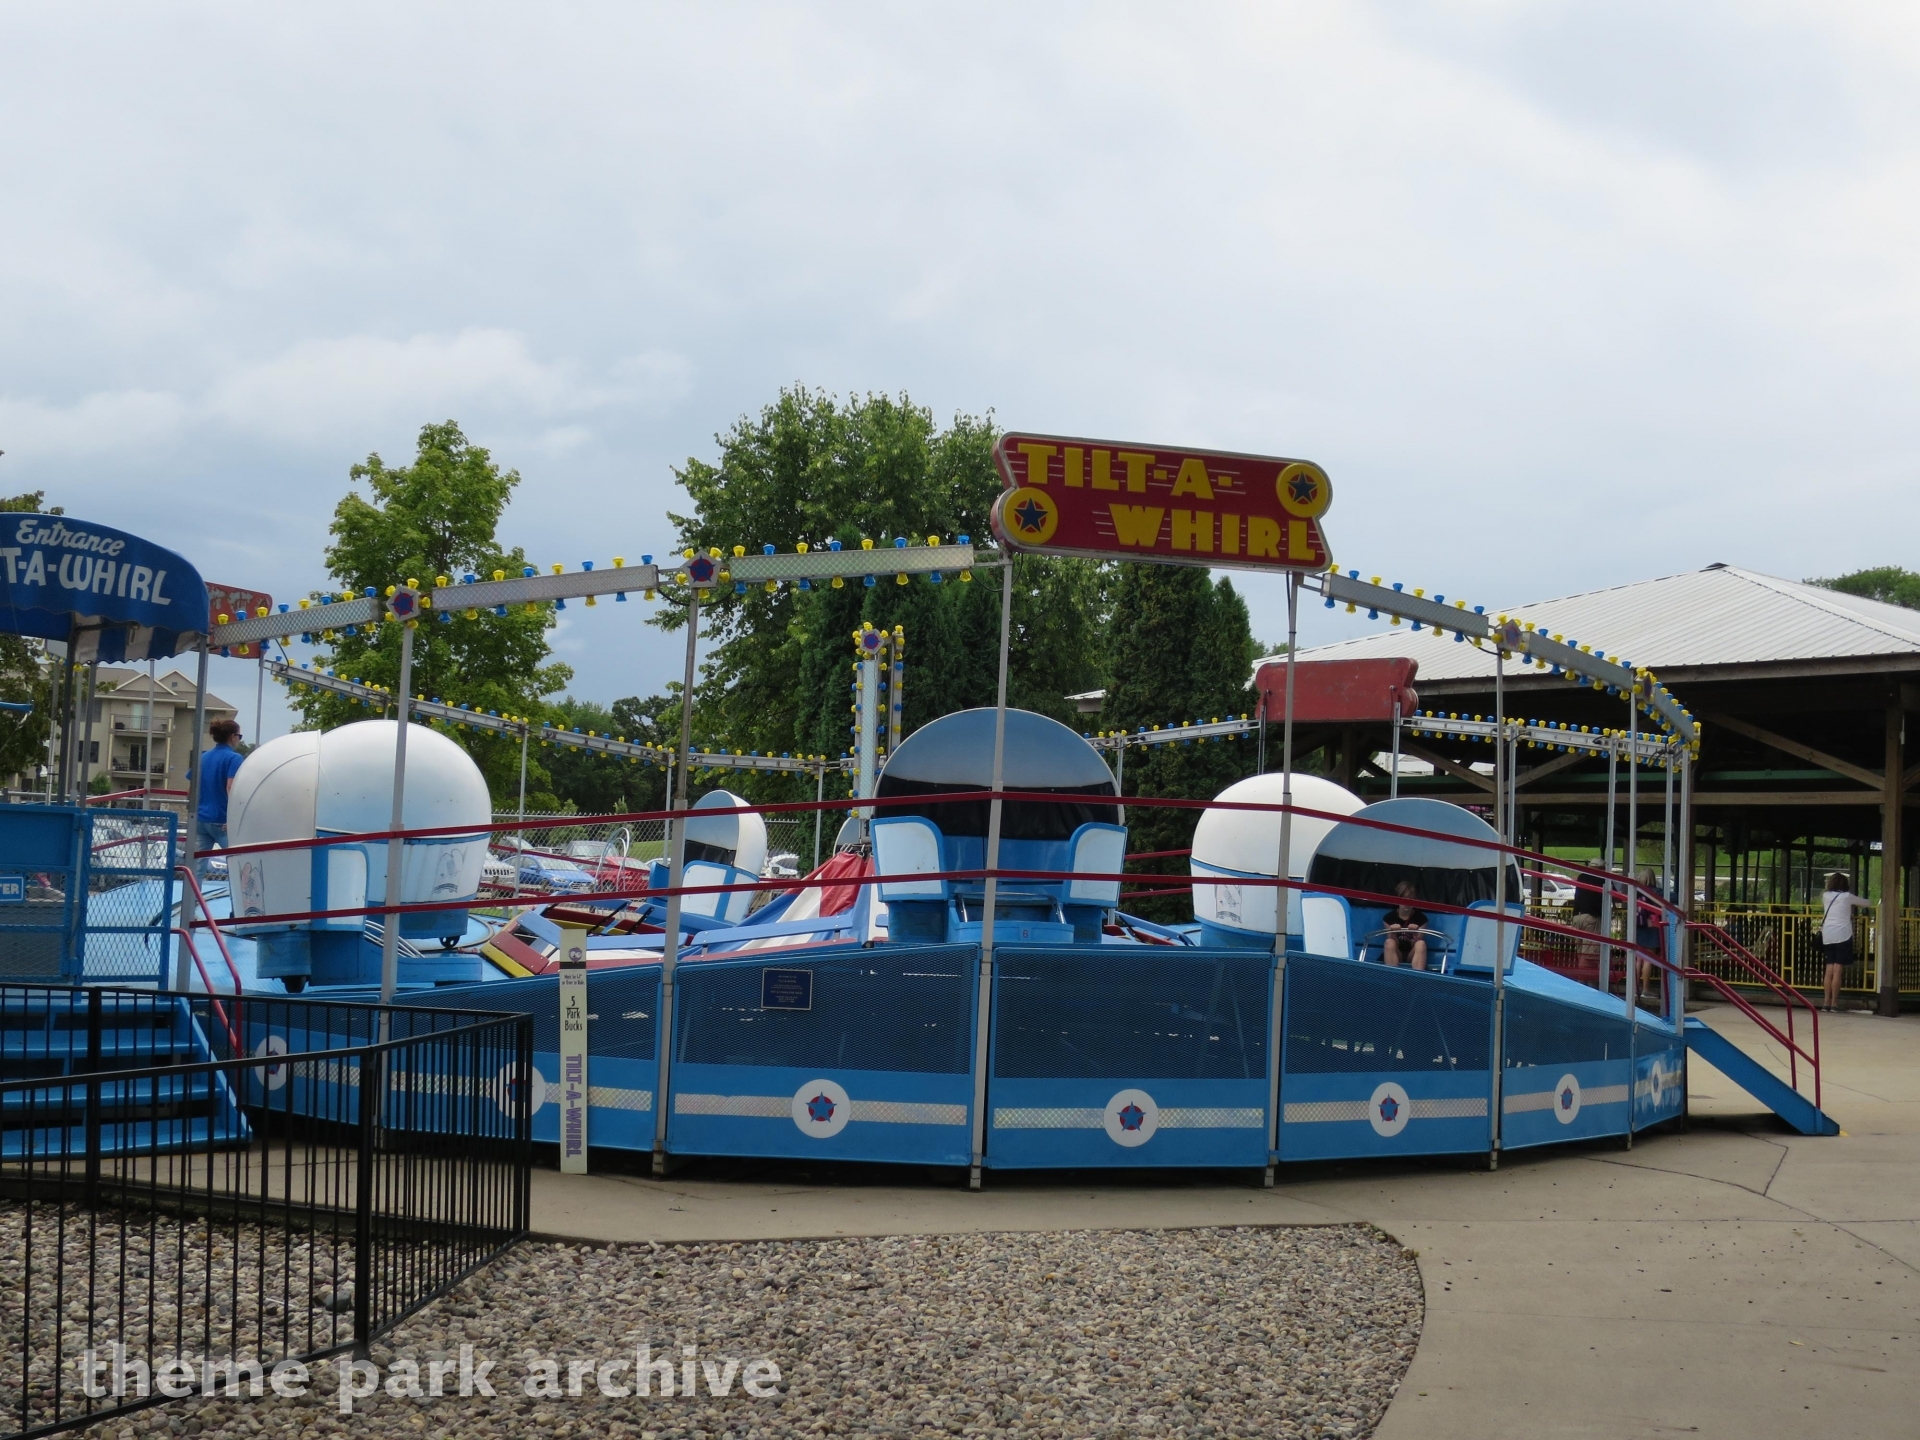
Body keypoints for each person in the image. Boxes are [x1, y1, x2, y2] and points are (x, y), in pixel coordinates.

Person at [195, 718, 246, 878]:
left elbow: (193, 786)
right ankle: (243, 901)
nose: (239, 739)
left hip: (201, 818)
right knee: (239, 862)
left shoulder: (203, 757)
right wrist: (234, 817)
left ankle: (190, 899)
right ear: (232, 736)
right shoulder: (234, 758)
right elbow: (231, 786)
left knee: (197, 865)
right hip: (222, 819)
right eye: (239, 736)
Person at [1819, 872, 1874, 1013]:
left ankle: (1826, 1002)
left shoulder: (1825, 896)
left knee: (1829, 969)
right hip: (1843, 934)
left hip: (1828, 935)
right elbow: (1866, 903)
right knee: (1838, 970)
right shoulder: (1846, 897)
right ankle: (1834, 1003)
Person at [1381, 879, 1429, 971]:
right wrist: (1393, 933)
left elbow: (1415, 944)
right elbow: (1394, 942)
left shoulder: (1422, 919)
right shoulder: (1388, 918)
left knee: (1421, 944)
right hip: (1396, 953)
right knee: (1389, 942)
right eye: (1404, 899)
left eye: (1410, 900)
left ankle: (1418, 977)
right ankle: (1392, 978)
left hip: (1412, 953)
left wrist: (1415, 934)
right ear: (1397, 899)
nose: (1407, 903)